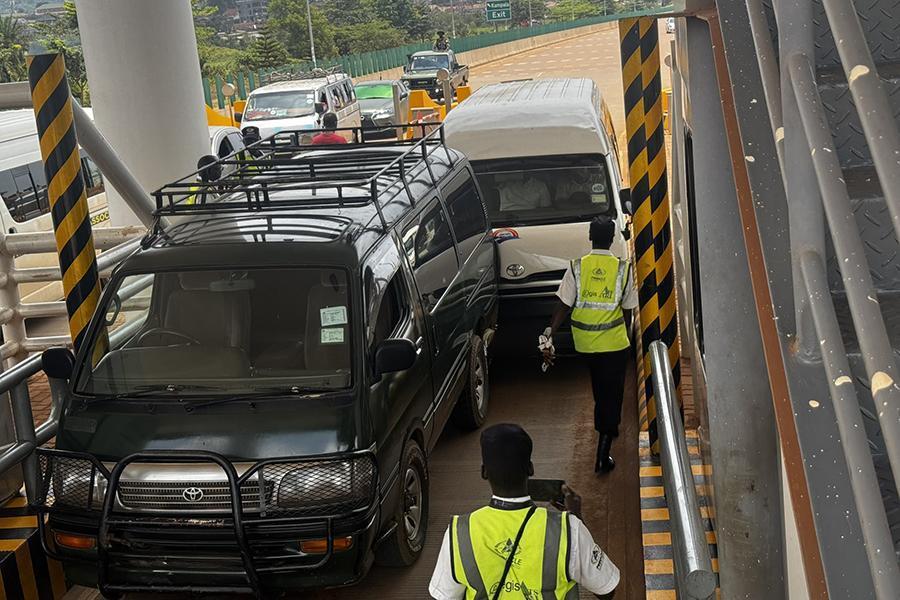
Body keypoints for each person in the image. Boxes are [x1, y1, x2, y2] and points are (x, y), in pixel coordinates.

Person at [429, 423, 619, 599]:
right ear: (530, 468)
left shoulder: (458, 533)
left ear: (484, 472)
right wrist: (577, 519)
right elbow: (606, 590)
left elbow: (444, 595)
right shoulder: (568, 530)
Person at [543, 217, 637, 473]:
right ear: (612, 239)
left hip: (584, 344)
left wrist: (550, 331)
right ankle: (603, 451)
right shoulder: (622, 269)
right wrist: (625, 337)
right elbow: (628, 310)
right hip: (614, 344)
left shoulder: (577, 267)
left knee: (600, 388)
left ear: (590, 236)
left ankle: (607, 426)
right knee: (612, 394)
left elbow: (563, 303)